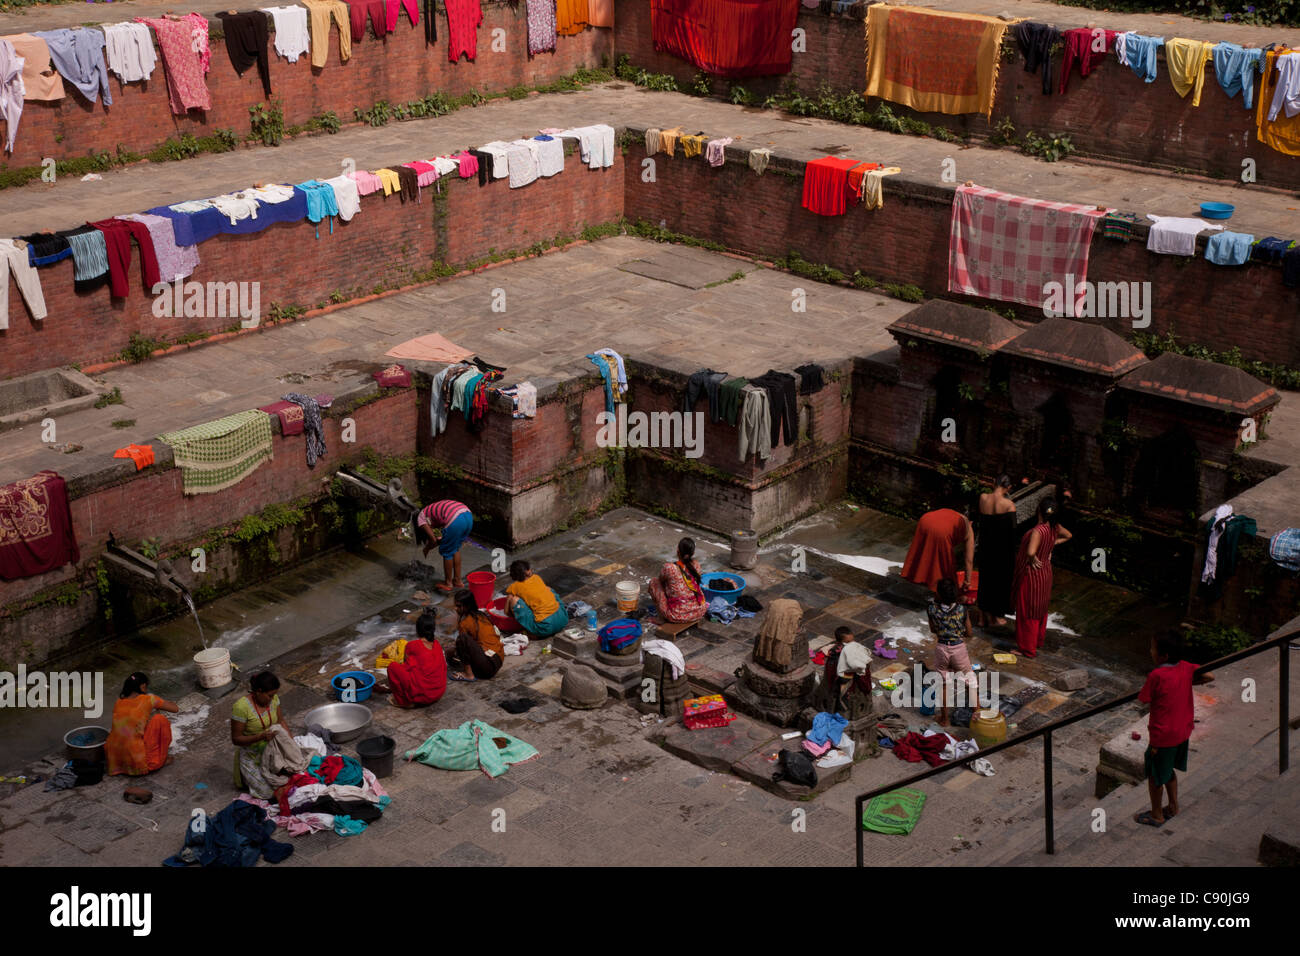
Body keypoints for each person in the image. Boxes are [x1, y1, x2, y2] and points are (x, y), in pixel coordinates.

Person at [1134, 631, 1197, 827]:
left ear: (1164, 656)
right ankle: (1174, 806)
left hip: (1162, 736)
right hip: (1182, 731)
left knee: (1155, 777)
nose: (1150, 651)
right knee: (1168, 771)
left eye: (1153, 649)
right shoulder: (1186, 667)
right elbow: (1209, 675)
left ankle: (1157, 814)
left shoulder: (1157, 675)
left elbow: (1144, 698)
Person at [1010, 497, 1072, 657]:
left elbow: (1030, 552)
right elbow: (1069, 536)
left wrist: (1032, 558)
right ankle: (1036, 640)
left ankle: (1027, 648)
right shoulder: (1055, 527)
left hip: (1032, 573)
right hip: (1045, 572)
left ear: (1039, 511)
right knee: (1039, 608)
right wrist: (1051, 547)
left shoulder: (1038, 530)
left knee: (1027, 610)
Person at [230, 671, 291, 798]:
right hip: (252, 754)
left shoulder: (273, 699)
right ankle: (246, 776)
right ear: (258, 691)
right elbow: (236, 739)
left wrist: (291, 743)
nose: (273, 699)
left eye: (274, 695)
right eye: (269, 695)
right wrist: (260, 737)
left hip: (272, 748)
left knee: (294, 773)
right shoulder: (241, 708)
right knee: (269, 792)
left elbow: (281, 721)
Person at [927, 578, 978, 726]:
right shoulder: (962, 610)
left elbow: (932, 629)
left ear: (939, 595)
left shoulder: (931, 609)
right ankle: (978, 716)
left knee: (943, 684)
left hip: (941, 648)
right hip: (958, 649)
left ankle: (944, 719)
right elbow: (969, 633)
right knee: (971, 682)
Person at [105, 672, 178, 776]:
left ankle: (121, 766)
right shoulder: (149, 699)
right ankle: (158, 760)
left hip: (114, 758)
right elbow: (175, 709)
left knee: (132, 728)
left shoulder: (119, 702)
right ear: (143, 686)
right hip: (136, 760)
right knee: (159, 719)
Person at [377, 610, 447, 707]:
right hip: (438, 692)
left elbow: (406, 666)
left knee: (393, 667)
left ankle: (403, 701)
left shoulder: (412, 645)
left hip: (424, 696)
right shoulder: (437, 644)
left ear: (418, 630)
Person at [972, 475, 1017, 628]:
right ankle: (993, 617)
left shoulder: (983, 498)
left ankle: (981, 618)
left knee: (984, 581)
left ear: (993, 483)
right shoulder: (1009, 505)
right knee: (997, 583)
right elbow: (1011, 533)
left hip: (985, 545)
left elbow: (982, 521)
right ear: (1008, 488)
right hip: (1000, 549)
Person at [901, 502, 975, 593]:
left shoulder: (951, 513)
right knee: (945, 567)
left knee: (926, 551)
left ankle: (919, 576)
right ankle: (941, 595)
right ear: (971, 523)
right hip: (941, 530)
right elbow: (969, 560)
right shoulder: (968, 527)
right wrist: (967, 582)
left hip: (925, 520)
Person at [412, 499, 474, 593]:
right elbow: (443, 536)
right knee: (455, 548)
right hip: (468, 516)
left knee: (447, 552)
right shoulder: (429, 511)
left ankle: (448, 583)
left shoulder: (420, 519)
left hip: (455, 519)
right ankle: (458, 581)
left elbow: (433, 540)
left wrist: (427, 549)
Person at [449, 589, 504, 682]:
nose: (455, 608)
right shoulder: (482, 615)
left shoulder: (465, 623)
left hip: (488, 667)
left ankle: (468, 674)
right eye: (455, 605)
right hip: (498, 660)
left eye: (458, 606)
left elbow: (464, 645)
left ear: (467, 606)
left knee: (462, 639)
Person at [649, 537, 708, 623]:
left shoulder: (670, 568)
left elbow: (660, 580)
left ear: (677, 550)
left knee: (654, 582)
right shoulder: (696, 565)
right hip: (700, 611)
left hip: (678, 615)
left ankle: (661, 618)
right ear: (693, 553)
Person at [505, 559, 569, 636]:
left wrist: (511, 613)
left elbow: (506, 611)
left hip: (544, 628)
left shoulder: (514, 587)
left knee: (514, 600)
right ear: (527, 572)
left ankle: (532, 632)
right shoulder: (537, 577)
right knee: (548, 589)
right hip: (562, 619)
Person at [823, 626, 873, 720]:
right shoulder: (836, 654)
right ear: (839, 642)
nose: (851, 644)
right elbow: (835, 672)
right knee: (842, 698)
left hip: (853, 681)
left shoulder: (854, 648)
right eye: (848, 642)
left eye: (852, 641)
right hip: (842, 682)